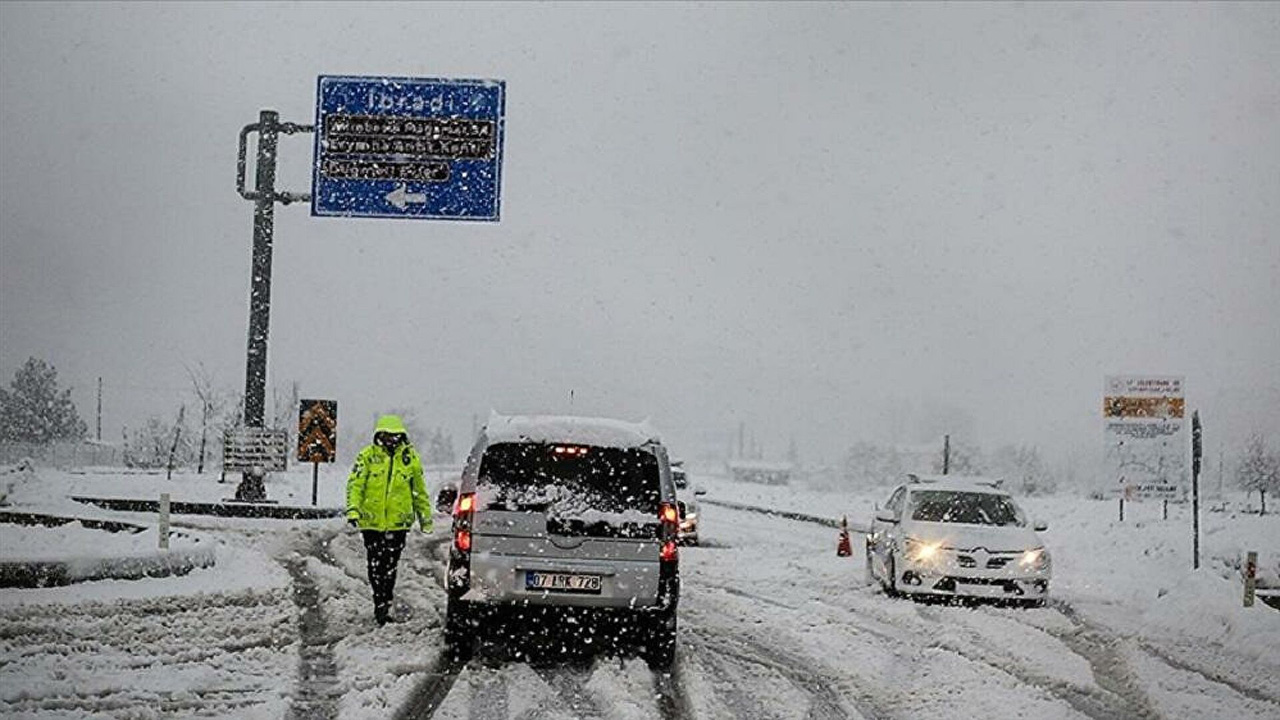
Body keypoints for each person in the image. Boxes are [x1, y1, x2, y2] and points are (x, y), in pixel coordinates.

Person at [346, 414, 433, 625]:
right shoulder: (367, 457)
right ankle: (380, 600)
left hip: (398, 524)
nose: (391, 440)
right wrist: (353, 509)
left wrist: (425, 519)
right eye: (386, 436)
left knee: (390, 564)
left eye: (395, 436)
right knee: (376, 563)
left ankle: (386, 600)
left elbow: (419, 491)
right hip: (372, 523)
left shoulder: (410, 459)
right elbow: (355, 484)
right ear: (379, 435)